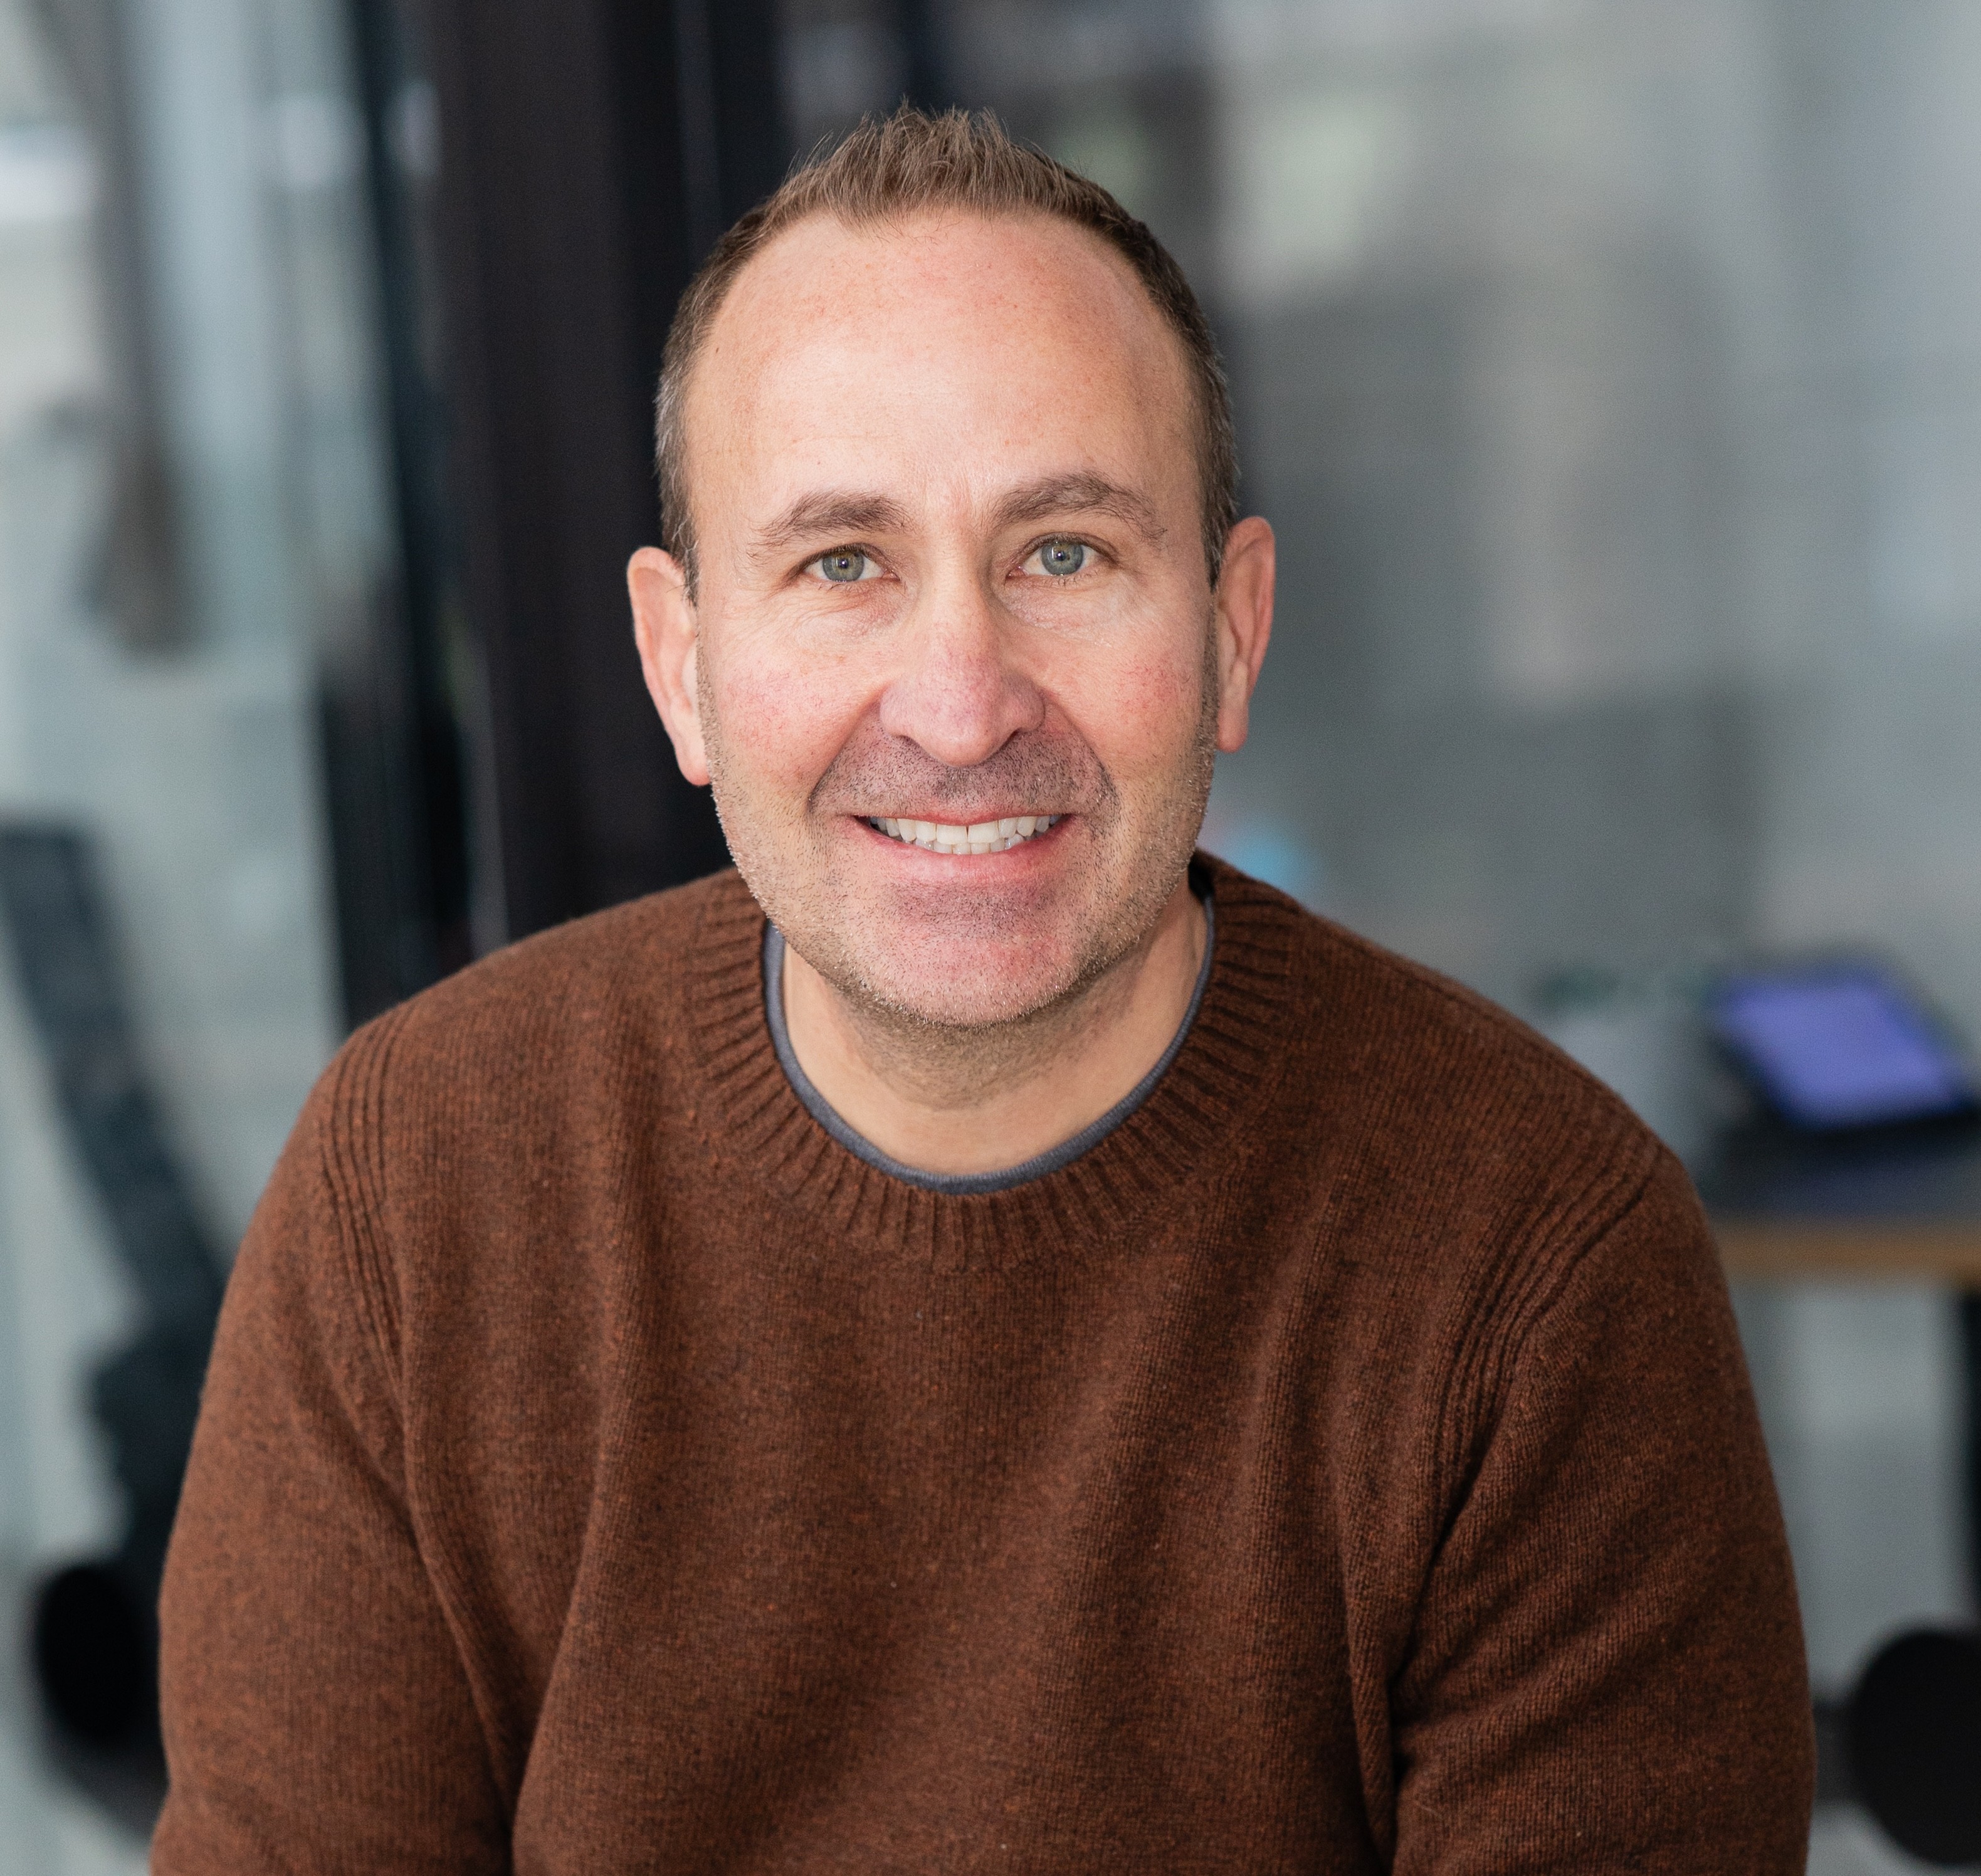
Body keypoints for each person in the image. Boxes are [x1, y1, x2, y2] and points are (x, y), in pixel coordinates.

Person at [154, 107, 1813, 1872]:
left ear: (1232, 630)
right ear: (682, 663)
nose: (960, 706)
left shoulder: (1539, 1265)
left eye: (1066, 553)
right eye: (842, 564)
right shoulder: (417, 1185)